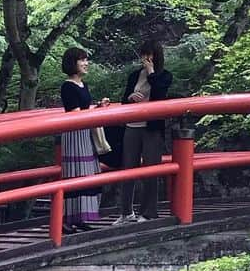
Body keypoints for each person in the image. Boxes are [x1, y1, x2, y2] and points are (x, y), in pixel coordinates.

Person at [114, 39, 172, 223]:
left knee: (150, 170)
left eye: (150, 55)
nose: (147, 58)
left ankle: (148, 212)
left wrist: (151, 73)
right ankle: (125, 212)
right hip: (132, 126)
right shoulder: (134, 76)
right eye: (144, 54)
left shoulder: (164, 76)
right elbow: (124, 101)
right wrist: (130, 97)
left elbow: (160, 94)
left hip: (151, 128)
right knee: (128, 169)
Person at [60, 47, 109, 232]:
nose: (86, 63)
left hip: (86, 132)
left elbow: (85, 109)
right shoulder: (67, 86)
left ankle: (81, 217)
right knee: (76, 172)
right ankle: (67, 218)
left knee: (89, 173)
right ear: (73, 63)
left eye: (86, 59)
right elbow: (75, 113)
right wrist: (94, 111)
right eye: (82, 60)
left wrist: (97, 107)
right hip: (74, 134)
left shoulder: (84, 85)